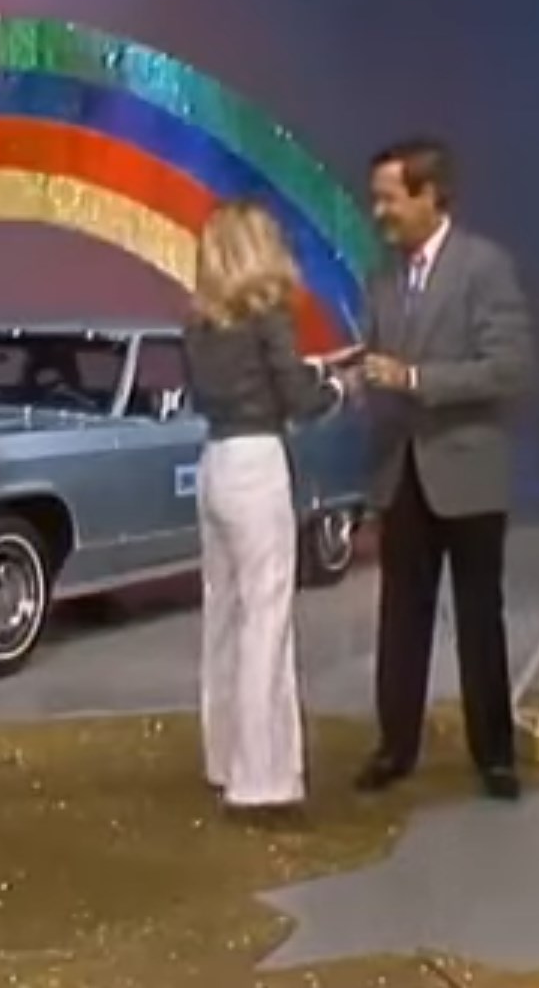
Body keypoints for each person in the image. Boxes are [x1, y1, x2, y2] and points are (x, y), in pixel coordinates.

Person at [354, 137, 534, 801]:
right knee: (400, 616)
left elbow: (508, 368)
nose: (378, 212)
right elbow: (377, 360)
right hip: (399, 472)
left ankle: (494, 755)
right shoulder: (381, 275)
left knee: (478, 615)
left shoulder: (485, 267)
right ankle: (394, 747)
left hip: (467, 470)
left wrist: (415, 377)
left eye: (388, 198)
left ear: (430, 196)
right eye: (375, 198)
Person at [183, 198, 340, 812]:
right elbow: (299, 400)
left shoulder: (198, 324)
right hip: (256, 466)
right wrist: (334, 386)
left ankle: (224, 759)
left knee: (223, 617)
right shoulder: (269, 315)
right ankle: (263, 781)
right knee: (266, 623)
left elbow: (215, 393)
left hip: (215, 463)